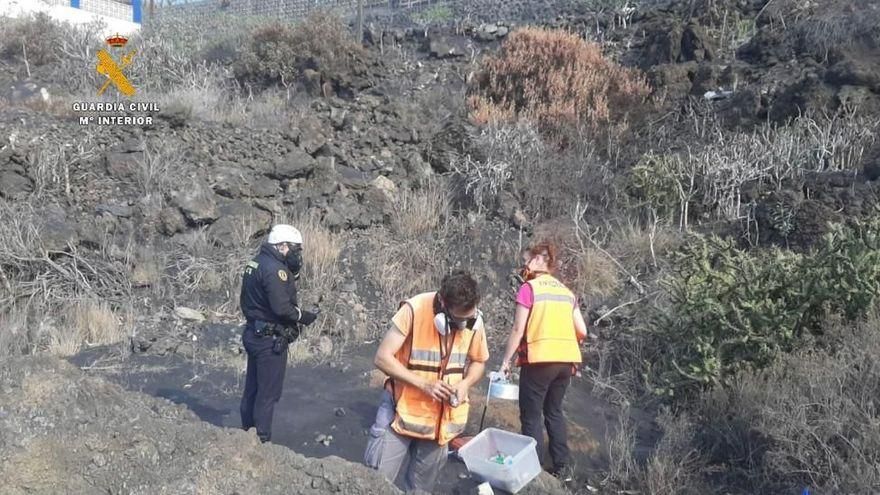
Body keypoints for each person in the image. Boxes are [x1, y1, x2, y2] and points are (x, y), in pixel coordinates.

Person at [366, 270, 489, 493]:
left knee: (420, 491)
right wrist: (424, 384)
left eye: (469, 318)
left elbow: (479, 361)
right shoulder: (413, 310)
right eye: (459, 319)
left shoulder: (473, 321)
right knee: (374, 486)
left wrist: (465, 383)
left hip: (438, 426)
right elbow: (382, 357)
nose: (465, 325)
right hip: (399, 413)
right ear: (443, 304)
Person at [499, 241, 587, 480]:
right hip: (566, 362)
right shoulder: (566, 292)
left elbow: (518, 329)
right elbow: (582, 330)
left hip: (540, 361)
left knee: (530, 415)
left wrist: (505, 362)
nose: (524, 266)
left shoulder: (529, 288)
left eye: (527, 260)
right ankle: (562, 468)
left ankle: (534, 471)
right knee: (554, 411)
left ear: (538, 260)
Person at [239, 224, 319, 443]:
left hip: (253, 332)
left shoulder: (256, 262)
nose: (297, 253)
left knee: (253, 389)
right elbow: (282, 307)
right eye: (295, 248)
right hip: (269, 339)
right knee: (268, 393)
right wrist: (303, 316)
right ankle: (261, 440)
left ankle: (245, 434)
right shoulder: (275, 270)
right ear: (282, 246)